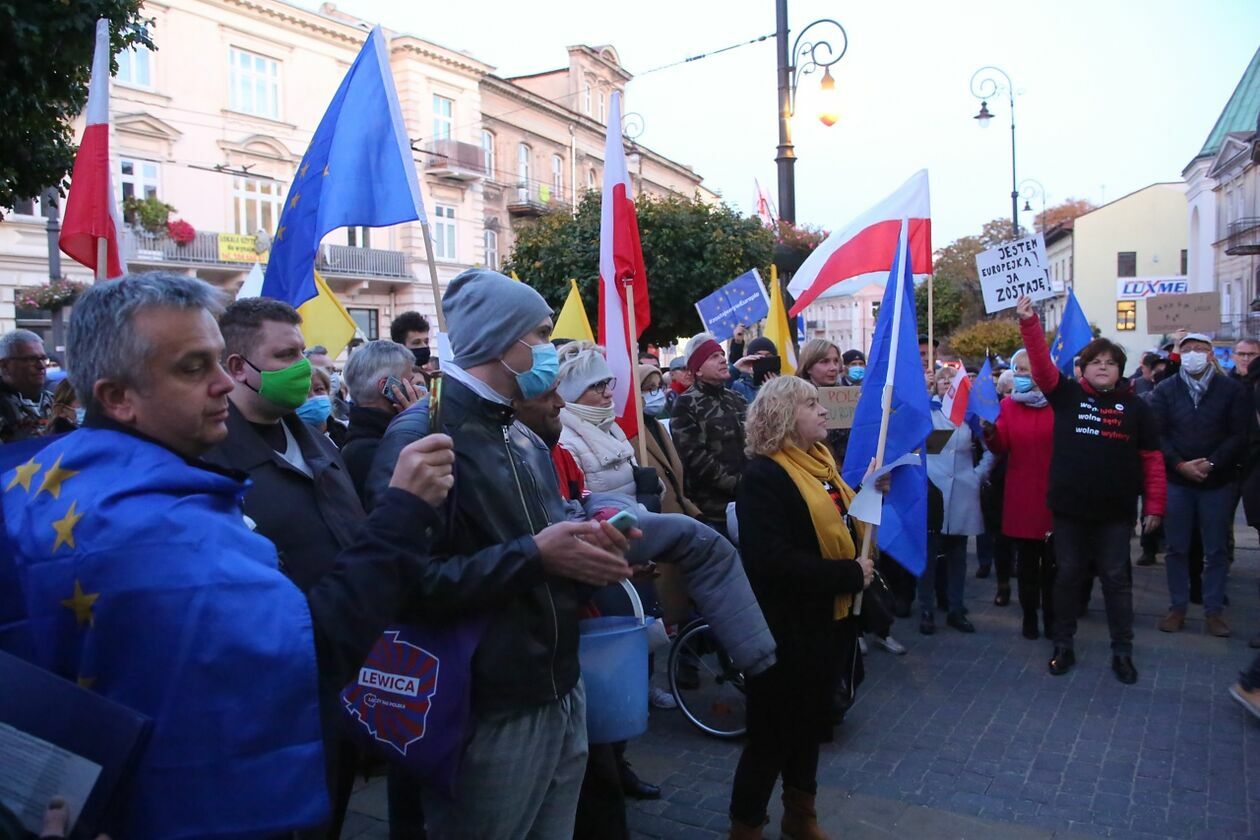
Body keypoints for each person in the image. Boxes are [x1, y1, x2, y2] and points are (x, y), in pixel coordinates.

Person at [5, 272, 455, 837]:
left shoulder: (41, 478)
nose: (225, 383)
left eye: (220, 360)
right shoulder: (160, 527)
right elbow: (308, 651)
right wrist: (405, 511)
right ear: (118, 397)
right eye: (193, 368)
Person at [365, 268, 633, 839]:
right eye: (538, 334)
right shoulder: (425, 434)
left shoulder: (522, 433)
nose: (549, 350)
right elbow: (404, 585)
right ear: (499, 341)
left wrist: (591, 552)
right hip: (487, 708)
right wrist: (536, 556)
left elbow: (545, 548)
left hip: (559, 687)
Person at [205, 298, 376, 835]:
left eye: (303, 352)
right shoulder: (210, 464)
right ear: (237, 369)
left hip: (346, 675)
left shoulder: (320, 443)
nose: (304, 367)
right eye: (285, 355)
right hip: (272, 702)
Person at [731, 376, 875, 840]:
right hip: (783, 629)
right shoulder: (763, 477)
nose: (823, 410)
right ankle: (747, 826)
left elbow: (844, 528)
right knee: (770, 737)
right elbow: (773, 561)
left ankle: (800, 815)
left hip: (825, 625)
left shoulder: (822, 468)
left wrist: (870, 492)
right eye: (811, 403)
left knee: (810, 726)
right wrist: (849, 575)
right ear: (782, 417)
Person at [1016, 295, 1165, 684]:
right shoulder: (1066, 395)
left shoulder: (1138, 409)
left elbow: (1151, 459)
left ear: (1120, 371)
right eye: (1095, 361)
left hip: (1115, 513)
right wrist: (1029, 323)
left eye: (1110, 362)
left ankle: (1122, 651)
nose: (1103, 367)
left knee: (1117, 580)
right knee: (1067, 576)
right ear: (1082, 369)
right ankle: (1062, 645)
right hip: (1069, 510)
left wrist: (1155, 506)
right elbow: (1042, 366)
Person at [1149, 332, 1248, 638]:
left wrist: (1213, 463)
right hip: (1178, 481)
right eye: (1186, 348)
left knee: (1216, 549)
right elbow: (1158, 434)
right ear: (1179, 354)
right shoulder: (1166, 389)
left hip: (1218, 482)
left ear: (1211, 354)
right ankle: (1178, 607)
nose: (1192, 353)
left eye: (1199, 349)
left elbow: (1239, 435)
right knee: (1177, 548)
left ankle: (1213, 611)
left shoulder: (1230, 389)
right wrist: (1179, 464)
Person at [985, 349, 1057, 639]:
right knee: (1026, 566)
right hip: (1022, 496)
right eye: (1019, 370)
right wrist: (990, 433)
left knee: (1053, 567)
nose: (1023, 376)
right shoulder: (1008, 406)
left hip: (1055, 498)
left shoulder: (1060, 405)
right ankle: (1029, 616)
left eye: (1029, 370)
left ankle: (1054, 619)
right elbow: (1001, 444)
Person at [921, 367, 991, 635]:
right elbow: (916, 448)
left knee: (957, 554)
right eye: (942, 380)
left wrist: (977, 475)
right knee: (928, 554)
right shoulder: (927, 411)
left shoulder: (971, 417)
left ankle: (955, 608)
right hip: (932, 490)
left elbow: (990, 449)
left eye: (952, 380)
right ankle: (926, 609)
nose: (947, 384)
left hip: (962, 491)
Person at [672, 332, 749, 537]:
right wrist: (737, 486)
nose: (723, 359)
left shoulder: (737, 399)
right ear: (697, 369)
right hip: (714, 511)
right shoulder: (686, 404)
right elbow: (695, 459)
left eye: (722, 354)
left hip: (748, 501)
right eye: (713, 356)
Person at [341, 339, 421, 501]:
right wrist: (417, 422)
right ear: (389, 388)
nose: (418, 390)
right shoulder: (374, 450)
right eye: (412, 382)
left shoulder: (368, 439)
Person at [555, 341, 639, 497]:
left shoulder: (610, 427)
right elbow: (582, 510)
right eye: (597, 385)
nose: (608, 393)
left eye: (607, 383)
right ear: (572, 392)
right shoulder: (563, 442)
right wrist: (642, 505)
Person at [0, 328, 54, 442]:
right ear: (4, 365)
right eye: (31, 359)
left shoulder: (54, 400)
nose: (41, 366)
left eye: (43, 358)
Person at [731, 336, 779, 402]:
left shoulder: (785, 386)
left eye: (768, 356)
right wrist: (735, 368)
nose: (764, 360)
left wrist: (778, 391)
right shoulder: (739, 386)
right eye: (759, 356)